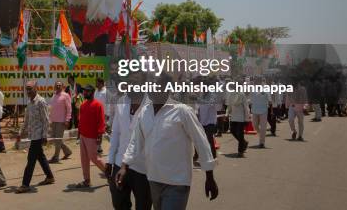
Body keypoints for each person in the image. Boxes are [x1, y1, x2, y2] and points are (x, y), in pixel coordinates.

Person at [118, 75, 219, 210]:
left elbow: (201, 142)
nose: (152, 89)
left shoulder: (183, 111)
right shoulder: (144, 112)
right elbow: (135, 142)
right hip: (154, 178)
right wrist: (124, 165)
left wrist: (209, 176)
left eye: (157, 86)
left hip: (177, 181)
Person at [106, 93, 151, 210]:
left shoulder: (152, 103)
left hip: (144, 167)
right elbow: (115, 133)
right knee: (118, 203)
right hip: (119, 161)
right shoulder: (121, 101)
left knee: (143, 205)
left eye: (136, 80)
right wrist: (109, 160)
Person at [15, 80, 54, 193]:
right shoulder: (29, 102)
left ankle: (25, 184)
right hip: (32, 135)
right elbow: (26, 120)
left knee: (31, 160)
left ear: (36, 89)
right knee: (40, 156)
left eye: (30, 88)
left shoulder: (41, 102)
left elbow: (46, 120)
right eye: (27, 89)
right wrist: (20, 133)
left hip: (39, 136)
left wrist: (45, 135)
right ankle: (50, 177)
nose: (28, 91)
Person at [74, 84, 106, 188]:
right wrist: (79, 133)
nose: (84, 93)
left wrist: (100, 134)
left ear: (92, 92)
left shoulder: (98, 105)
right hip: (83, 135)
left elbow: (101, 121)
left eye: (87, 91)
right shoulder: (83, 105)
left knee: (94, 158)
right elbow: (81, 120)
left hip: (92, 136)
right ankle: (86, 180)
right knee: (84, 159)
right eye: (84, 91)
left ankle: (109, 174)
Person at [49, 80, 72, 163]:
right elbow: (52, 108)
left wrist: (67, 120)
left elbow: (69, 109)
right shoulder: (54, 95)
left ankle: (56, 157)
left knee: (57, 139)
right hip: (53, 121)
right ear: (55, 86)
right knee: (56, 139)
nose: (58, 86)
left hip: (61, 121)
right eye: (57, 85)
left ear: (62, 86)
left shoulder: (65, 95)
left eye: (59, 85)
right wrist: (50, 119)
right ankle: (67, 151)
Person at [227, 90, 249, 156]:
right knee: (232, 131)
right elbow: (229, 106)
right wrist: (227, 113)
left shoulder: (242, 95)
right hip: (233, 117)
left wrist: (247, 119)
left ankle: (240, 152)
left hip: (241, 118)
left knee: (240, 134)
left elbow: (246, 107)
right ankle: (244, 143)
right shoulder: (230, 95)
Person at [249, 82, 271, 148]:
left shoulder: (266, 90)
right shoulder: (253, 90)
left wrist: (271, 107)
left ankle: (262, 142)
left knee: (263, 127)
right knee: (254, 125)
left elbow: (269, 100)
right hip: (254, 110)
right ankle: (261, 135)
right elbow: (250, 99)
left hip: (263, 111)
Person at [94, 77, 108, 153]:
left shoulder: (106, 92)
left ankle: (112, 144)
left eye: (97, 83)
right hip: (95, 114)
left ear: (101, 83)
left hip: (103, 114)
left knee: (103, 131)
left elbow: (108, 104)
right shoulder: (96, 91)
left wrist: (107, 114)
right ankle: (98, 146)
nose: (96, 84)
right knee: (97, 131)